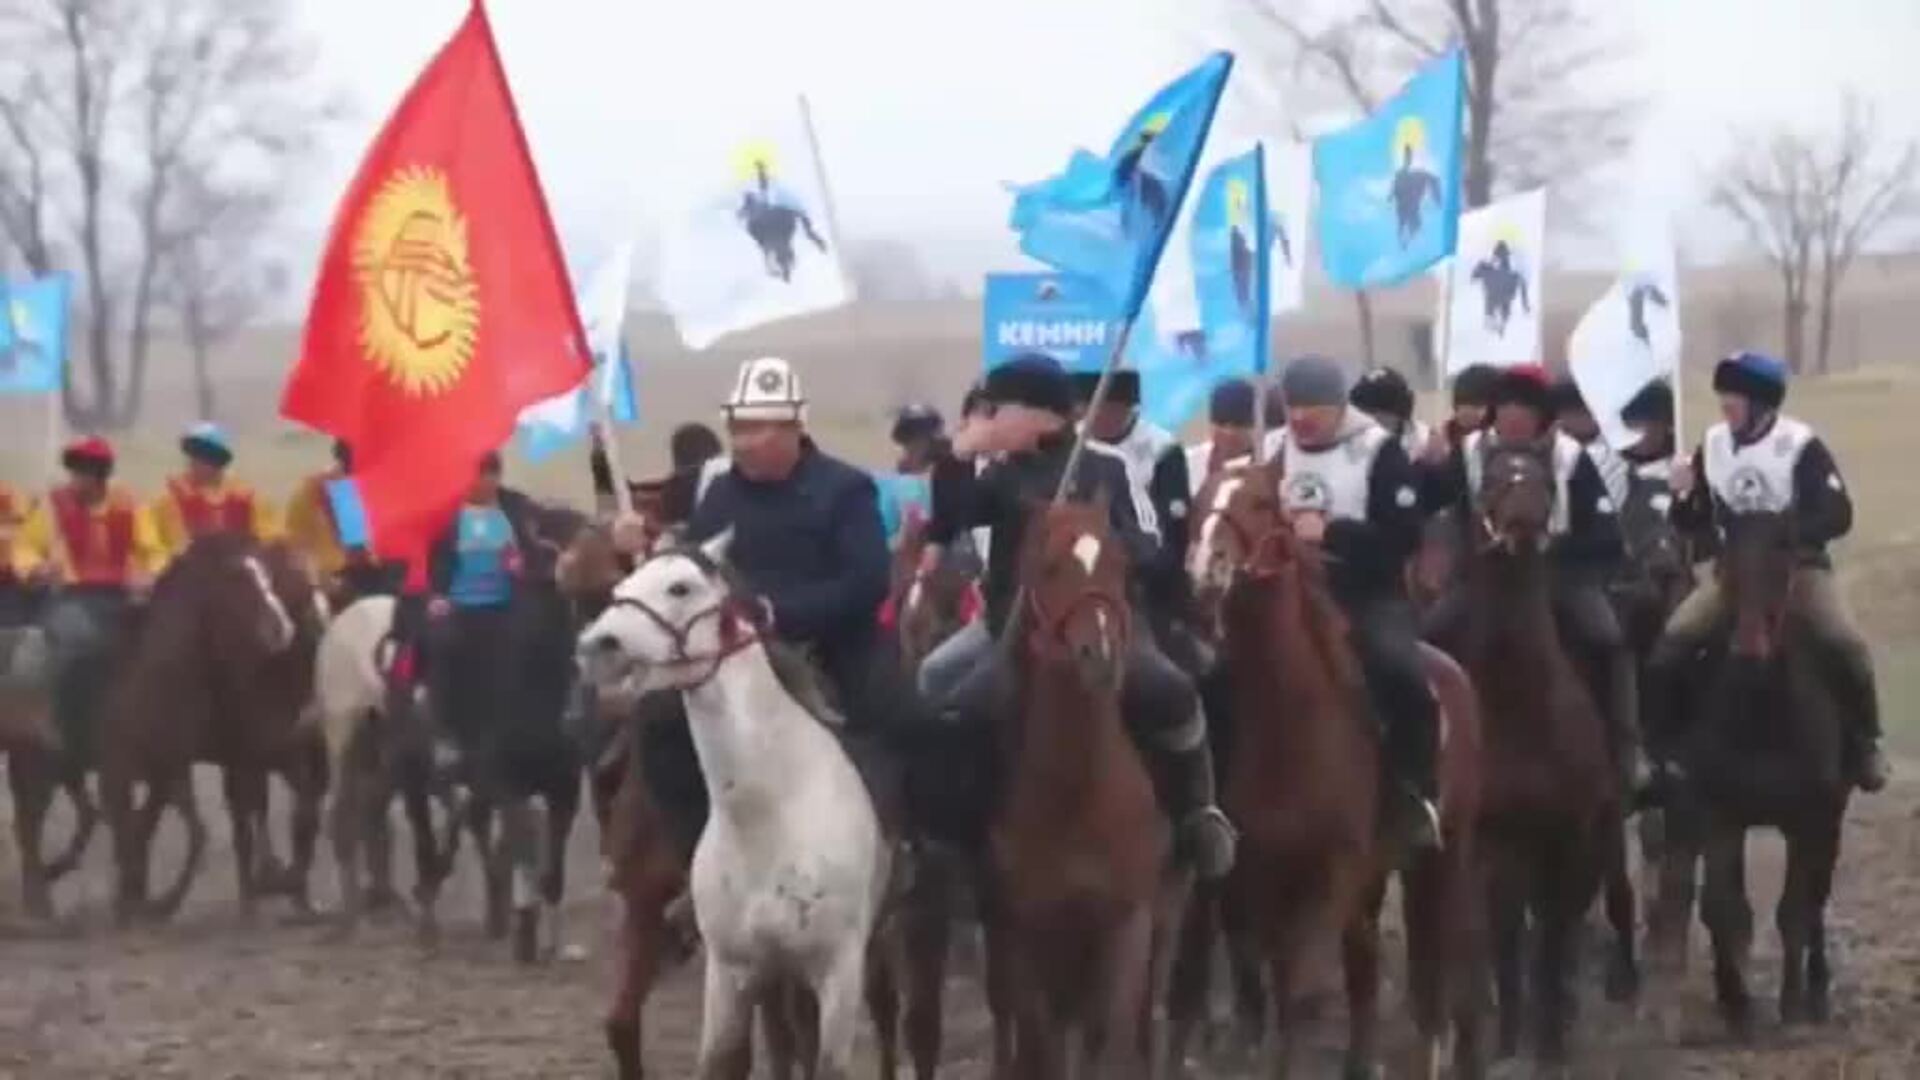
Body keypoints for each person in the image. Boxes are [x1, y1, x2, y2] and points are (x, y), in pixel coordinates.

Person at [918, 352, 1235, 879]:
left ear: (1043, 414)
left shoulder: (1107, 466)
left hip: (1101, 621)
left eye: (998, 411)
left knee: (1172, 690)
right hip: (1012, 629)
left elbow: (1151, 543)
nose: (988, 421)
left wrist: (1096, 554)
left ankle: (1196, 814)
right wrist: (956, 456)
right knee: (942, 687)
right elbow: (954, 520)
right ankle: (950, 837)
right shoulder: (998, 476)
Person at [1649, 351, 1886, 792]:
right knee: (1675, 641)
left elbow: (1838, 513)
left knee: (1844, 641)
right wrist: (1682, 496)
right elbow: (1693, 523)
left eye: (1733, 396)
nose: (1725, 404)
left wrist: (1785, 534)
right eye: (1724, 395)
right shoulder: (1714, 444)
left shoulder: (1800, 445)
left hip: (1799, 569)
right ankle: (1665, 751)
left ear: (1761, 402)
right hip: (1732, 571)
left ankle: (1866, 744)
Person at [1424, 365, 1652, 798]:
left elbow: (1605, 535)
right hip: (1481, 578)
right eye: (1506, 407)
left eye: (1523, 408)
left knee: (1608, 639)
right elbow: (1429, 502)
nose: (1513, 417)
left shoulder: (1570, 456)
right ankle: (1426, 755)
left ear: (1540, 416)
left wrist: (1555, 555)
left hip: (1559, 578)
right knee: (1430, 636)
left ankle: (1625, 750)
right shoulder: (1468, 452)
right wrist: (1426, 466)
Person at [1271, 356, 1440, 846]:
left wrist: (1334, 534)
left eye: (1313, 408)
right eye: (1293, 407)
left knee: (1400, 672)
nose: (1301, 418)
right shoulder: (1273, 449)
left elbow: (1405, 535)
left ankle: (1414, 793)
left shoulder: (1378, 452)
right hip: (1285, 591)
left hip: (1363, 595)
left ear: (1339, 407)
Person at [680, 356, 892, 727]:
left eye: (757, 429)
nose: (742, 443)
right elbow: (691, 564)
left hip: (831, 649)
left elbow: (867, 582)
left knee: (907, 720)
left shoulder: (844, 489)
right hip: (731, 654)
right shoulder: (719, 493)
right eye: (737, 429)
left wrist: (777, 612)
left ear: (796, 428)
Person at [11, 437, 167, 769]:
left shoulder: (130, 504)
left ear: (100, 475)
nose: (74, 479)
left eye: (81, 472)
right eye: (73, 471)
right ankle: (49, 718)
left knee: (167, 648)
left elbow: (154, 550)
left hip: (124, 597)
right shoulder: (53, 504)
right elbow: (24, 546)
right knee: (56, 644)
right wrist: (34, 567)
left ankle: (163, 730)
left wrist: (151, 575)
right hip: (72, 596)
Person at [425, 451, 542, 745]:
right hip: (459, 606)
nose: (482, 484)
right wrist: (437, 595)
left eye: (488, 476)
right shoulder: (445, 514)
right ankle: (444, 727)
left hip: (508, 603)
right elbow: (435, 561)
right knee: (442, 644)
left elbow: (534, 553)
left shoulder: (515, 508)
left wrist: (522, 565)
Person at [1073, 369, 1191, 626]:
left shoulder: (1161, 448)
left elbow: (1174, 526)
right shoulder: (1071, 446)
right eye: (1093, 408)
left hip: (1145, 571)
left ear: (1128, 409)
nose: (1100, 417)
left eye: (1110, 409)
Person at [285, 439, 397, 603]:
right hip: (339, 581)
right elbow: (359, 554)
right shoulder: (334, 488)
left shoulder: (311, 486)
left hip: (324, 578)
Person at [151, 422, 281, 559]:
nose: (195, 462)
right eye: (193, 455)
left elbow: (269, 537)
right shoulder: (171, 498)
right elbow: (155, 541)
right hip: (188, 568)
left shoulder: (246, 496)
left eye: (205, 456)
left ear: (219, 460)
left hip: (238, 568)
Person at [1551, 377, 1631, 511]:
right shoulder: (1549, 449)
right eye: (1573, 411)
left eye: (1587, 410)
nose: (1581, 417)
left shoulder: (1618, 453)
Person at [1349, 366, 1432, 461]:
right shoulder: (1351, 446)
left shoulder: (1425, 446)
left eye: (1374, 412)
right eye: (1361, 412)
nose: (1366, 420)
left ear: (1400, 415)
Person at [1184, 378, 1258, 485]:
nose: (1229, 432)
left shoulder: (1267, 465)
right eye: (1222, 423)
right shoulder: (1189, 464)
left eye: (1238, 424)